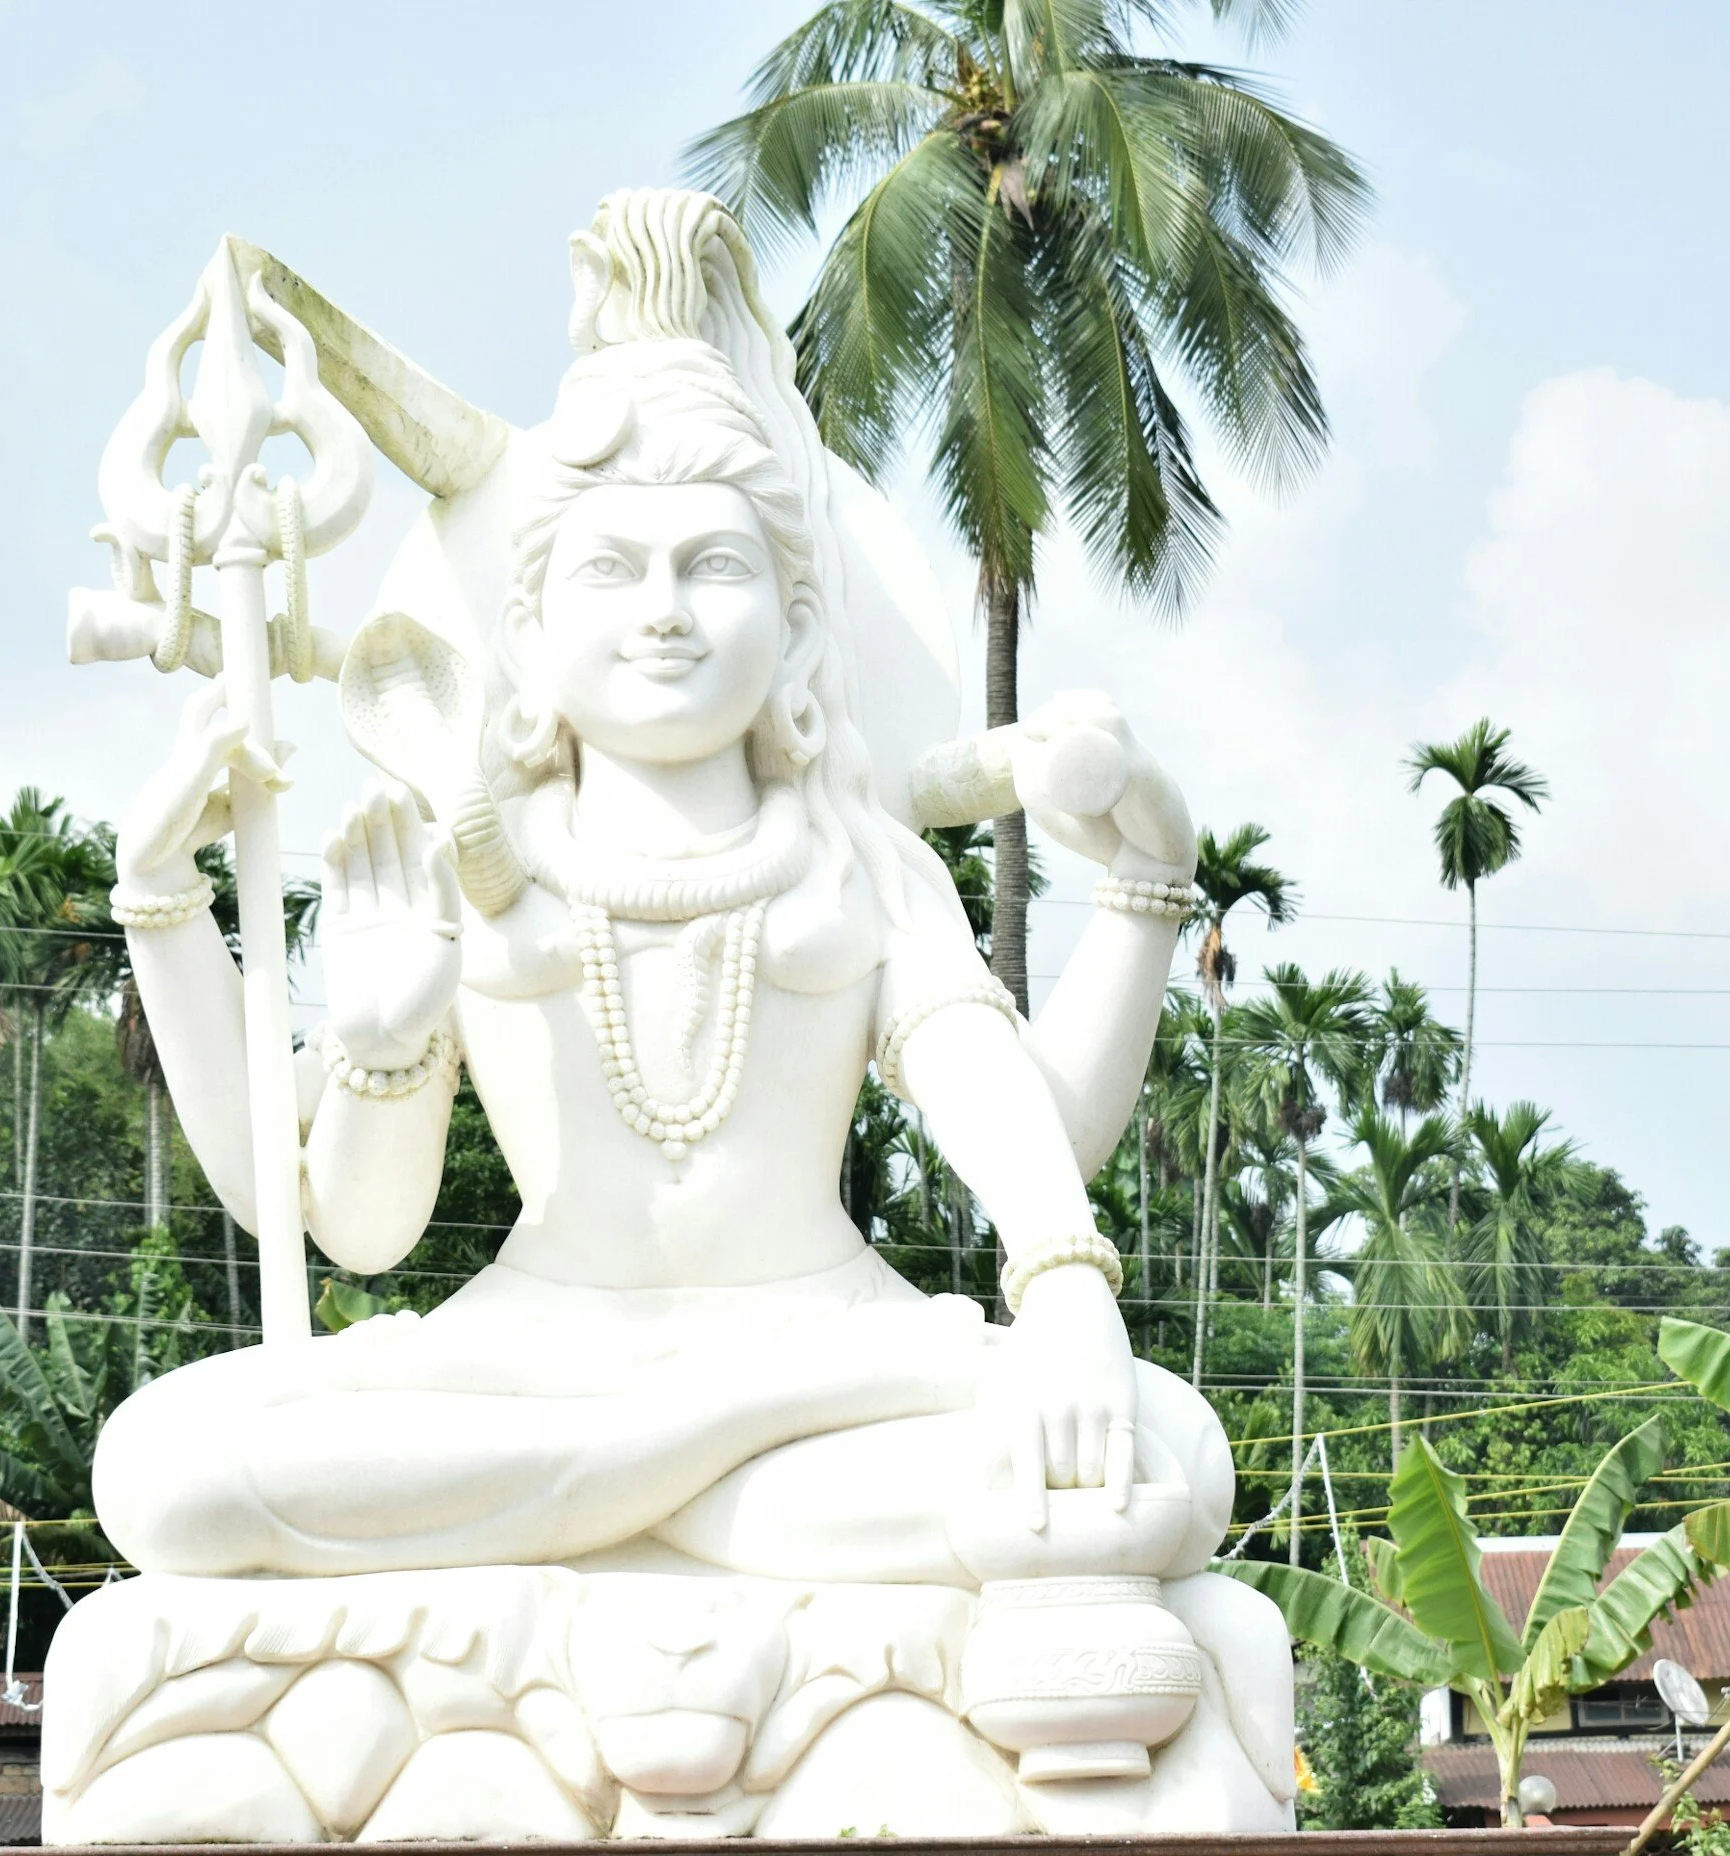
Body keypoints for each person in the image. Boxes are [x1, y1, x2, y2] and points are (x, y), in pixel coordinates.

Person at [94, 325, 1232, 1593]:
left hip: (830, 1347)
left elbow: (1038, 1133)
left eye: (714, 565)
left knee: (1173, 1446)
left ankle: (609, 1504)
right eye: (611, 569)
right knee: (163, 1465)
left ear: (799, 620)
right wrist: (342, 1026)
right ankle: (707, 1488)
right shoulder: (463, 865)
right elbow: (356, 1227)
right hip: (531, 1361)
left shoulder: (854, 859)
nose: (664, 613)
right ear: (526, 623)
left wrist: (1069, 1285)